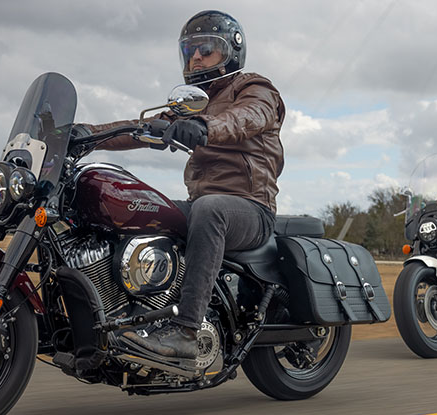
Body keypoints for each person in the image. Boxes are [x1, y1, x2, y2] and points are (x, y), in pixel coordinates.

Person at [79, 10, 285, 363]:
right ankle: (127, 316)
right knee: (138, 206)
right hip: (206, 203)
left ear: (230, 52)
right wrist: (88, 135)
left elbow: (247, 117)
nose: (196, 57)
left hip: (250, 208)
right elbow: (141, 128)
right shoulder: (194, 101)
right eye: (190, 50)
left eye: (206, 48)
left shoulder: (254, 88)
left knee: (209, 209)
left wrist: (205, 127)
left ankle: (187, 330)